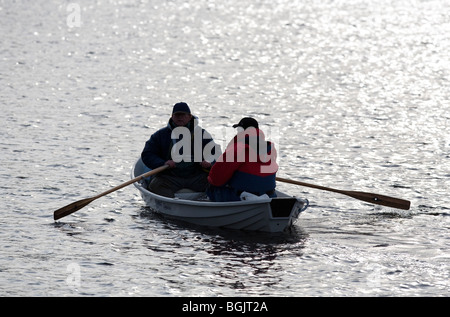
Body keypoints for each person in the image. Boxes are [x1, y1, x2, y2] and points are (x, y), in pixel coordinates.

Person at [141, 102, 218, 197]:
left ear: (189, 117)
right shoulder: (160, 135)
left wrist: (209, 161)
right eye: (177, 115)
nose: (180, 117)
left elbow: (214, 153)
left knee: (216, 183)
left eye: (183, 115)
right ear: (172, 117)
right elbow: (148, 154)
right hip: (169, 176)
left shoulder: (202, 134)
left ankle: (206, 203)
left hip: (196, 176)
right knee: (156, 185)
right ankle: (170, 204)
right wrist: (163, 163)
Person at [207, 117, 278, 202]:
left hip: (243, 197)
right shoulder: (270, 148)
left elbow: (216, 179)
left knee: (212, 187)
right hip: (269, 195)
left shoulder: (238, 148)